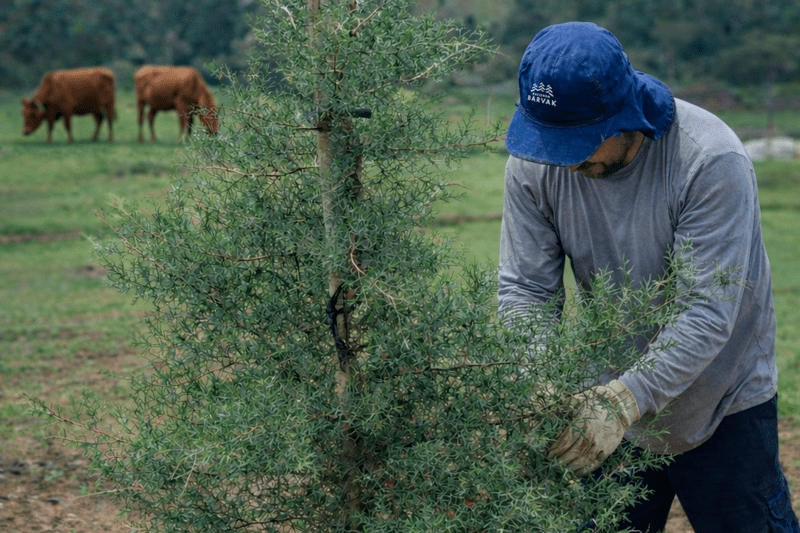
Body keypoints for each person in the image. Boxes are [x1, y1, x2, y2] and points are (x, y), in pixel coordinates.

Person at [498, 21, 800, 532]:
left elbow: (706, 310)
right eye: (551, 142)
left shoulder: (708, 159)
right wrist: (538, 375)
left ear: (623, 116)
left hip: (722, 404)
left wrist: (625, 400)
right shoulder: (535, 166)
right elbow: (526, 288)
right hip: (600, 406)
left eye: (578, 144)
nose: (563, 163)